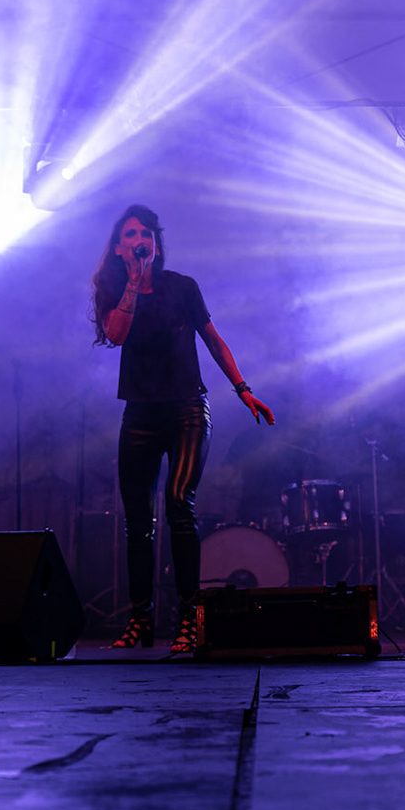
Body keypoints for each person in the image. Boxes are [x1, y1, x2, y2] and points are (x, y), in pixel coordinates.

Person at [90, 206, 274, 653]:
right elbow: (116, 335)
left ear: (156, 243)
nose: (141, 239)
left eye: (147, 233)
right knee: (138, 522)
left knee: (178, 503)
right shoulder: (112, 289)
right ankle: (140, 619)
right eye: (131, 234)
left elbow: (213, 339)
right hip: (140, 415)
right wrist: (133, 283)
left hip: (188, 409)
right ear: (119, 248)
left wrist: (243, 389)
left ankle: (190, 618)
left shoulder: (182, 287)